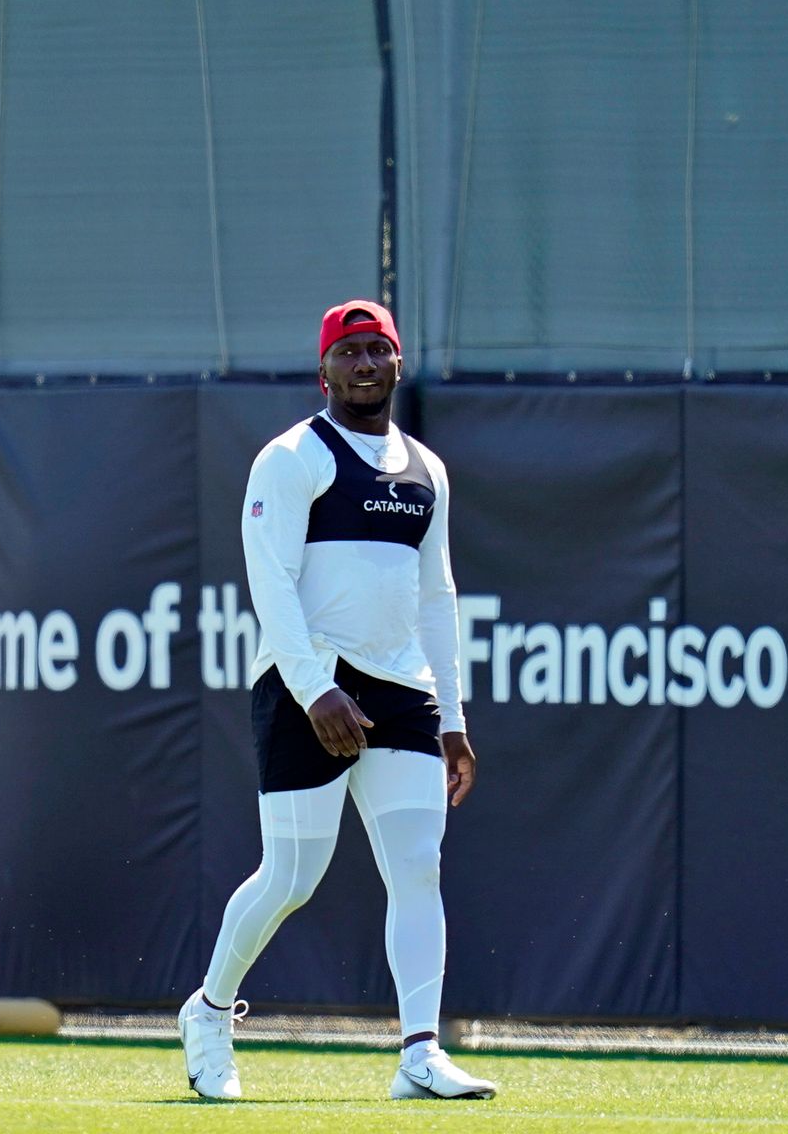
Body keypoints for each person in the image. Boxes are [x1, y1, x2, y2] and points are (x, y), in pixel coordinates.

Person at [178, 299, 495, 1102]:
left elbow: (437, 597)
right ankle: (210, 1012)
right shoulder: (291, 458)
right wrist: (315, 688)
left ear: (397, 364)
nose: (363, 365)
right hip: (305, 686)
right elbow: (270, 581)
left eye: (376, 351)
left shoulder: (427, 470)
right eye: (348, 352)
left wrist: (452, 719)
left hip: (404, 694)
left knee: (418, 869)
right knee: (291, 877)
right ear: (323, 370)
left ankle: (419, 1055)